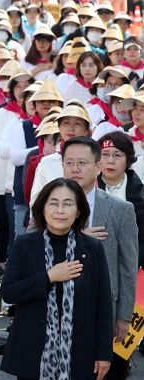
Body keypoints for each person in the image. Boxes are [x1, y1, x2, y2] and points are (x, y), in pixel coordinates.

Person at [1, 177, 113, 380]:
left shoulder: (92, 247)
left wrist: (104, 353)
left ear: (78, 211)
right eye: (53, 203)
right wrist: (49, 277)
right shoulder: (25, 244)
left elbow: (103, 304)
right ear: (43, 208)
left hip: (81, 352)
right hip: (33, 351)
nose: (60, 210)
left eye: (68, 204)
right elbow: (9, 291)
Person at [61, 136, 139, 379]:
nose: (75, 169)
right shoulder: (49, 203)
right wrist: (76, 234)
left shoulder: (120, 209)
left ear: (98, 167)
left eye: (82, 163)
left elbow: (128, 266)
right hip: (58, 307)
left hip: (104, 309)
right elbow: (33, 248)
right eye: (69, 162)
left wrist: (125, 315)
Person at [96, 132, 144, 271]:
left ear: (128, 160)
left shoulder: (139, 192)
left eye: (117, 155)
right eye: (105, 154)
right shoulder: (87, 188)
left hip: (132, 263)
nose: (110, 160)